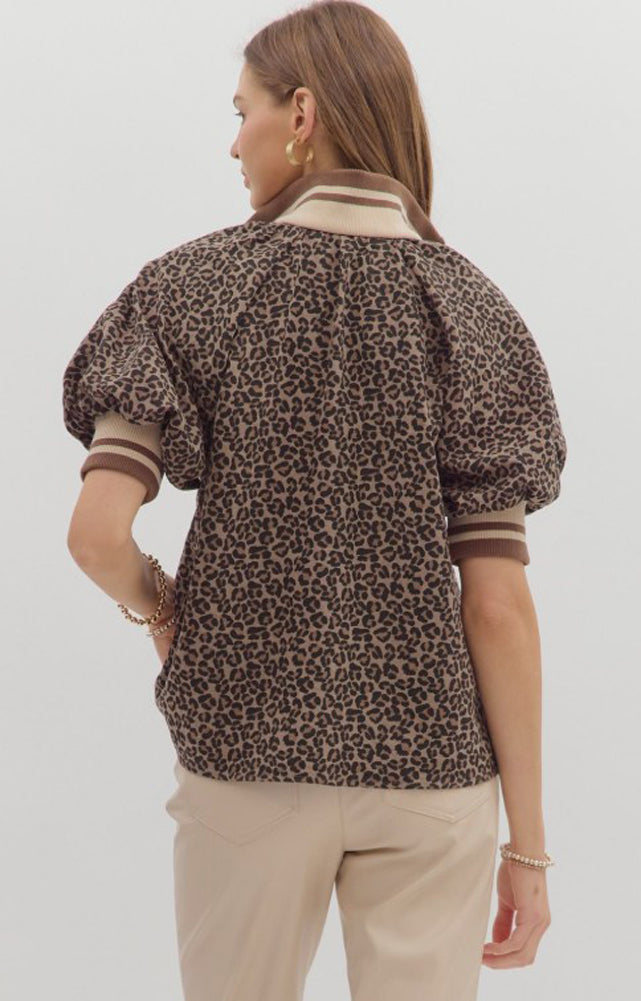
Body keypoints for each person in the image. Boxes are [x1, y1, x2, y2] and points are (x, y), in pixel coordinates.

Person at [62, 2, 567, 999]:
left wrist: (162, 609)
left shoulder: (186, 291)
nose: (232, 141)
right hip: (431, 774)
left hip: (246, 758)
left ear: (300, 114)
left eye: (241, 111)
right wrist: (529, 846)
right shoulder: (472, 313)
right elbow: (497, 607)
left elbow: (96, 535)